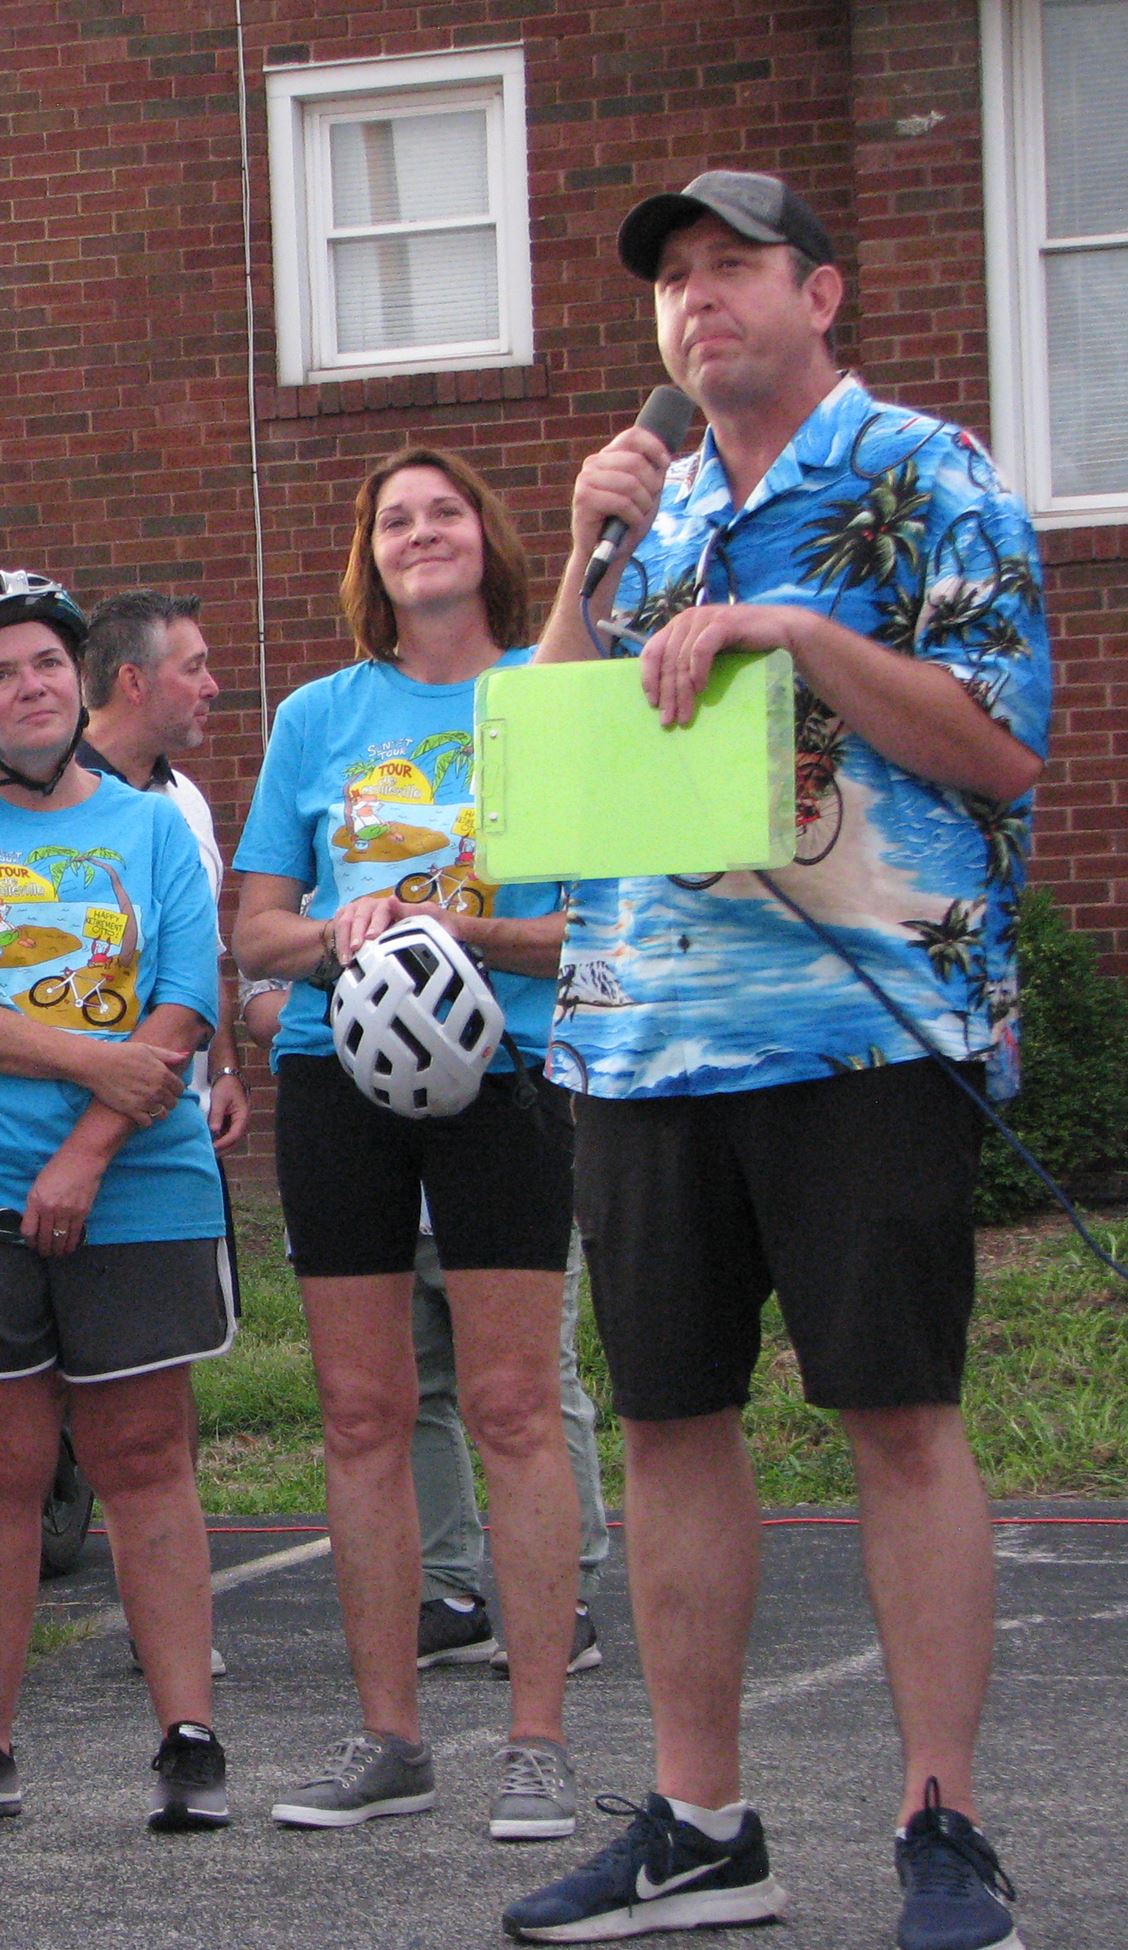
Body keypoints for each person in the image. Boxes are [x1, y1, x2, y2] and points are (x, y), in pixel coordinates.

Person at [504, 172, 1050, 1950]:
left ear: (826, 292)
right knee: (669, 1422)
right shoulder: (650, 510)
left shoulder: (919, 475)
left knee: (895, 1414)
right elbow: (553, 762)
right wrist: (589, 555)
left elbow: (1000, 744)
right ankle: (698, 1824)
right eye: (673, 279)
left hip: (859, 1028)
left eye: (732, 267)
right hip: (644, 1037)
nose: (695, 300)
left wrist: (800, 635)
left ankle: (944, 1827)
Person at [229, 450, 586, 1845]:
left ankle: (539, 1740)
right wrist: (336, 935)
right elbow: (253, 925)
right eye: (393, 520)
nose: (419, 535)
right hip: (341, 1075)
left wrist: (458, 931)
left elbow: (597, 924)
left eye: (442, 513)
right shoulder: (323, 717)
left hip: (505, 1067)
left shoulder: (548, 700)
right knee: (364, 1412)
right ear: (369, 557)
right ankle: (390, 1737)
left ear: (487, 541)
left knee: (508, 1405)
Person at [0, 570, 233, 1837]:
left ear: (82, 681)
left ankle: (187, 1738)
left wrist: (80, 1155)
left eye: (44, 664)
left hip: (132, 1185)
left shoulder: (148, 829)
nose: (29, 687)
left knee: (141, 1457)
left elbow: (179, 1008)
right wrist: (84, 1055)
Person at [75, 590, 250, 1155]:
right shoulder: (46, 808)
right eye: (193, 667)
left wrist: (222, 1069)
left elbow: (201, 957)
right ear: (133, 682)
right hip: (68, 1117)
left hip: (177, 1125)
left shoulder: (185, 802)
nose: (212, 686)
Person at [411, 1230, 611, 1677]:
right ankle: (445, 1597)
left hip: (503, 1186)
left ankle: (565, 1599)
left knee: (534, 1390)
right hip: (383, 1194)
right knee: (408, 1391)